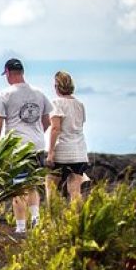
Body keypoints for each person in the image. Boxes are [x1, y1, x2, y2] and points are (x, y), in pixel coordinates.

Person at [0, 58, 52, 234]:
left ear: (8, 73)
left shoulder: (5, 94)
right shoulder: (40, 93)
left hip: (18, 148)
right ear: (22, 72)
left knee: (18, 187)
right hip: (38, 146)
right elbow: (47, 121)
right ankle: (36, 221)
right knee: (32, 185)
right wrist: (38, 133)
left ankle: (21, 228)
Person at [45, 71, 89, 203]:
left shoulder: (56, 103)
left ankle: (53, 218)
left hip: (62, 151)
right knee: (75, 190)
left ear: (57, 86)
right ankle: (78, 220)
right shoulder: (80, 104)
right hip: (79, 151)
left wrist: (51, 152)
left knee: (50, 185)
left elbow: (55, 128)